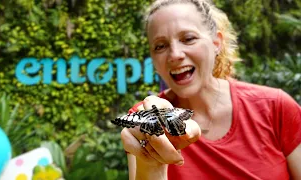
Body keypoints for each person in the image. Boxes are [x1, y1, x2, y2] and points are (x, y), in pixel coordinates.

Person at [120, 0, 301, 179]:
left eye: (188, 38)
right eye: (160, 46)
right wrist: (151, 162)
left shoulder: (275, 108)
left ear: (216, 43)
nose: (175, 54)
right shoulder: (144, 119)